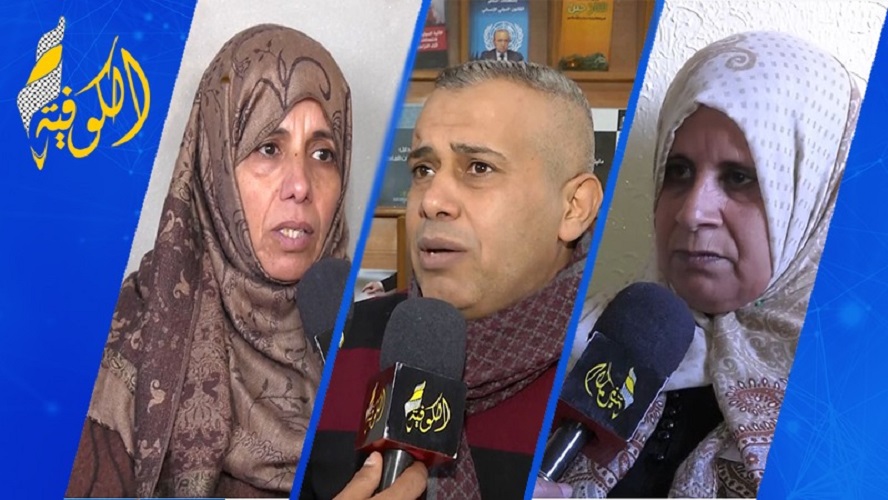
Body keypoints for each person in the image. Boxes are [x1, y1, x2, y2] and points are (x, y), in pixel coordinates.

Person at [549, 31, 861, 498]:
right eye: (678, 171)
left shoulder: (853, 391)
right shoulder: (585, 339)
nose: (693, 212)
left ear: (814, 196)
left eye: (739, 177)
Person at [66, 24, 353, 498]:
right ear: (214, 165)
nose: (301, 185)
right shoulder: (123, 343)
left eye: (323, 153)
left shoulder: (365, 341)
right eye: (268, 148)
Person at [301, 61, 603, 499]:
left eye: (478, 167)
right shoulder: (340, 346)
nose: (432, 201)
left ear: (574, 207)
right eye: (423, 170)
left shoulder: (597, 377)